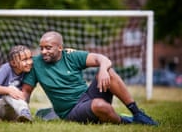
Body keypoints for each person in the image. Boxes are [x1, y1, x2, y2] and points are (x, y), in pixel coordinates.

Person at [20, 31, 158, 125]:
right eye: (41, 48)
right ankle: (127, 121)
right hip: (71, 111)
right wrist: (21, 110)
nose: (44, 51)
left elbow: (102, 58)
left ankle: (138, 114)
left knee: (109, 72)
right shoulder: (36, 64)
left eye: (48, 48)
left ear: (60, 47)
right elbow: (26, 91)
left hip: (87, 96)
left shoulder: (71, 56)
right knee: (99, 105)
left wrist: (103, 69)